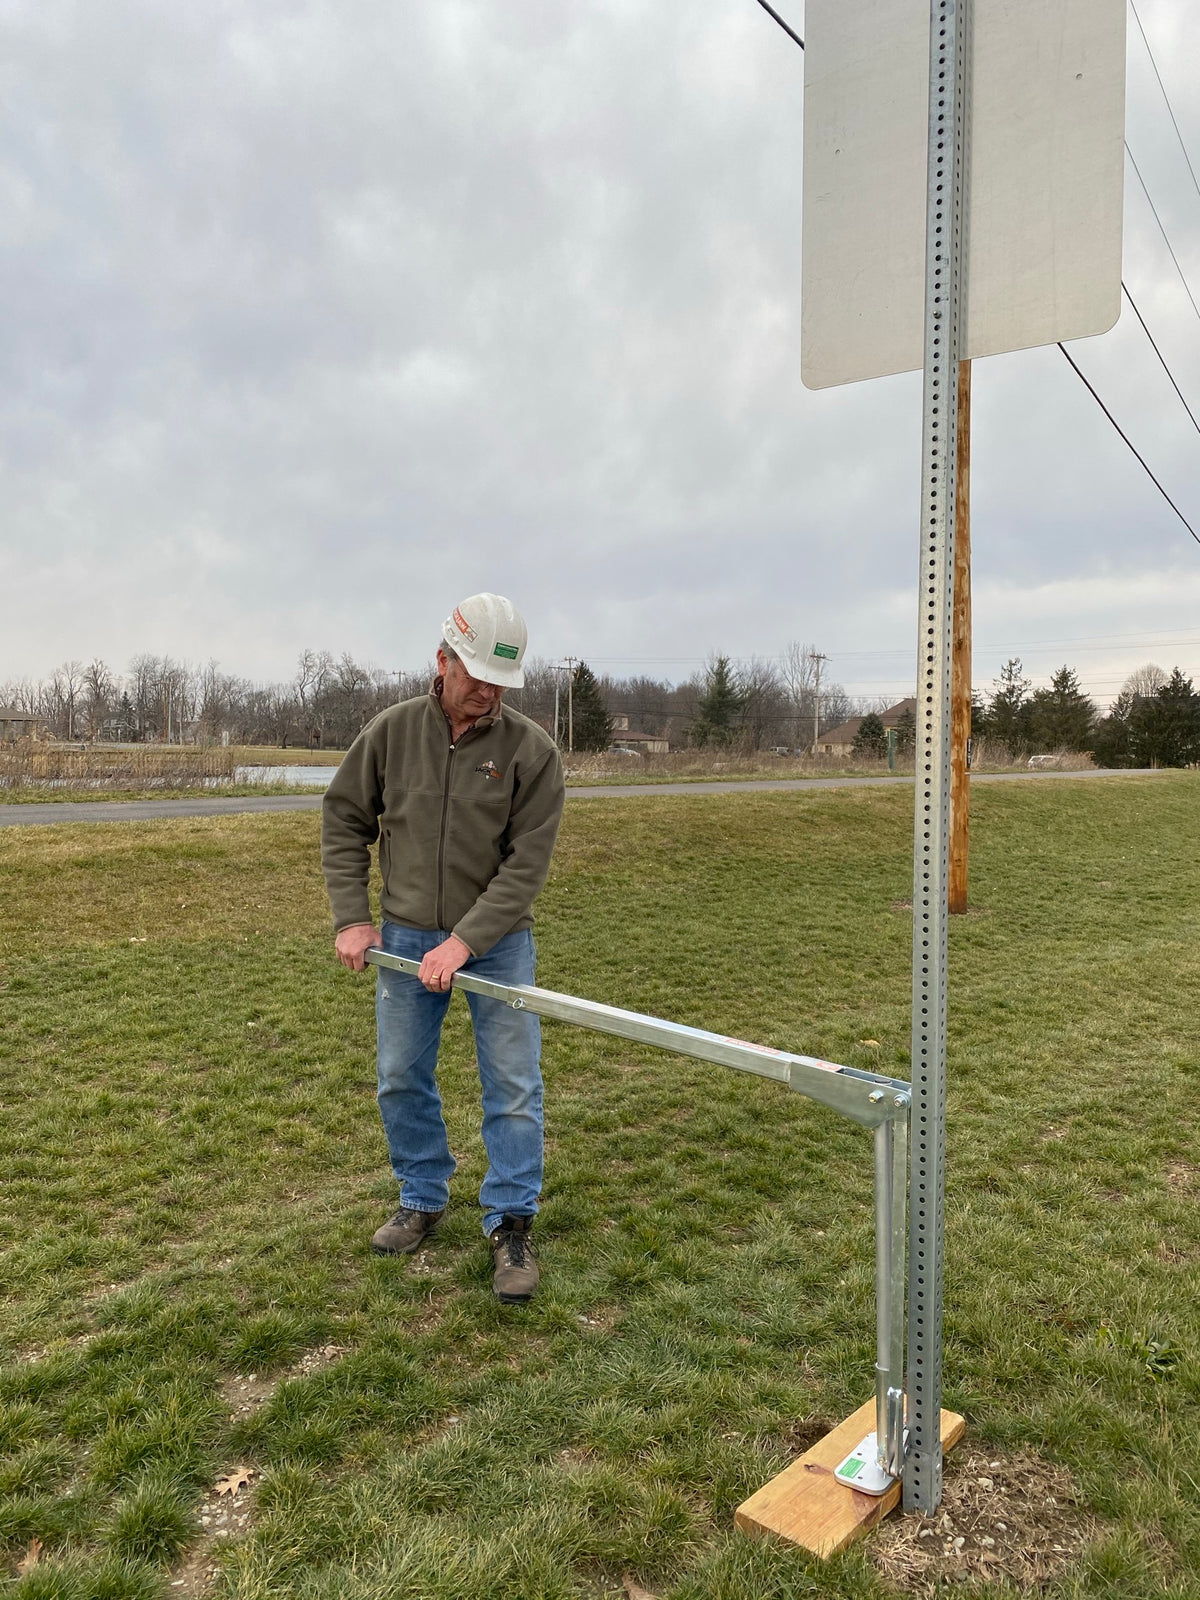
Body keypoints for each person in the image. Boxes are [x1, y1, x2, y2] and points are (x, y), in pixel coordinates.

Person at [321, 594, 565, 1304]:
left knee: (515, 1087)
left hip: (497, 943)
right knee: (400, 1075)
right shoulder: (391, 733)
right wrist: (352, 918)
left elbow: (526, 866)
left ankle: (511, 1221)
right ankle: (422, 1195)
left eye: (500, 682)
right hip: (402, 936)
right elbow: (344, 820)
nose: (487, 692)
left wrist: (466, 941)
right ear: (443, 660)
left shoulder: (532, 753)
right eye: (476, 675)